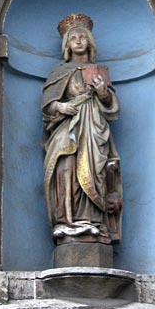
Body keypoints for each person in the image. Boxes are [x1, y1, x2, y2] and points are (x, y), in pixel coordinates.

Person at [42, 13, 122, 245]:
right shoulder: (59, 72)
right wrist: (60, 105)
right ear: (67, 44)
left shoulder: (98, 72)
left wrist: (103, 92)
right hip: (66, 130)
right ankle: (67, 220)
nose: (78, 41)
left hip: (94, 129)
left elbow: (113, 109)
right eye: (73, 38)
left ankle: (93, 221)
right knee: (66, 169)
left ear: (90, 42)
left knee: (95, 171)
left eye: (82, 37)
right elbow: (46, 106)